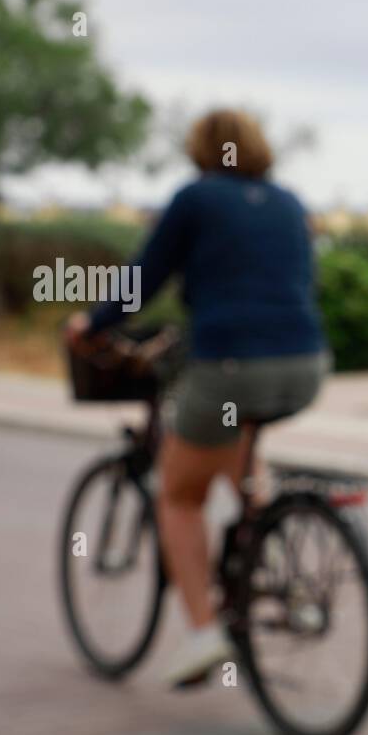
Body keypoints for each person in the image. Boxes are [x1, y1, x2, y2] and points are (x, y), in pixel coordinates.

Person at [66, 109, 326, 686]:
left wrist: (93, 323)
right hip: (306, 365)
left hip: (233, 364)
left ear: (201, 149)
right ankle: (288, 579)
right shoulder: (287, 202)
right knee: (237, 452)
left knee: (179, 492)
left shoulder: (196, 199)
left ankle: (204, 634)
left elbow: (143, 279)